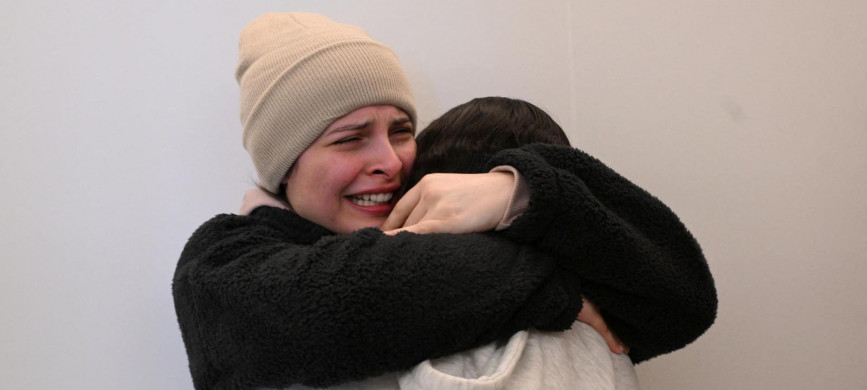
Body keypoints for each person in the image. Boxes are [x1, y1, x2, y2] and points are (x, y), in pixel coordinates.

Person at [173, 12, 717, 390]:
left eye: (402, 130)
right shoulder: (222, 264)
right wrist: (558, 286)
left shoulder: (468, 225)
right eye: (349, 138)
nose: (390, 159)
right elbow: (345, 301)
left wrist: (518, 192)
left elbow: (681, 299)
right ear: (284, 165)